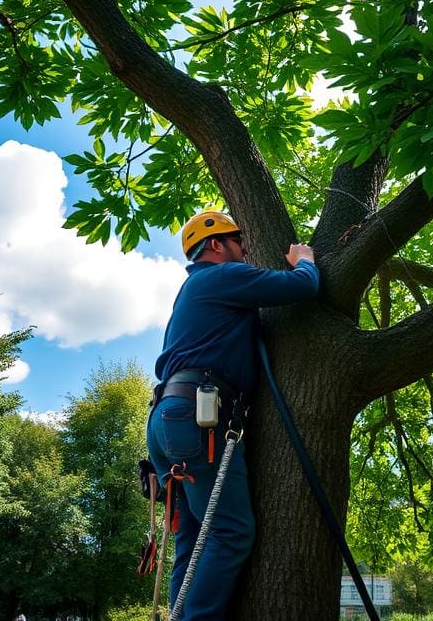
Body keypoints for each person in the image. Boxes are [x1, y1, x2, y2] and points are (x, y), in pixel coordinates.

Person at [146, 210, 320, 620]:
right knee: (229, 531)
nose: (245, 248)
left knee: (192, 541)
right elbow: (303, 286)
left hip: (169, 418)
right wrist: (305, 258)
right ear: (216, 245)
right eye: (238, 240)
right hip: (197, 417)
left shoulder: (194, 290)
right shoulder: (219, 277)